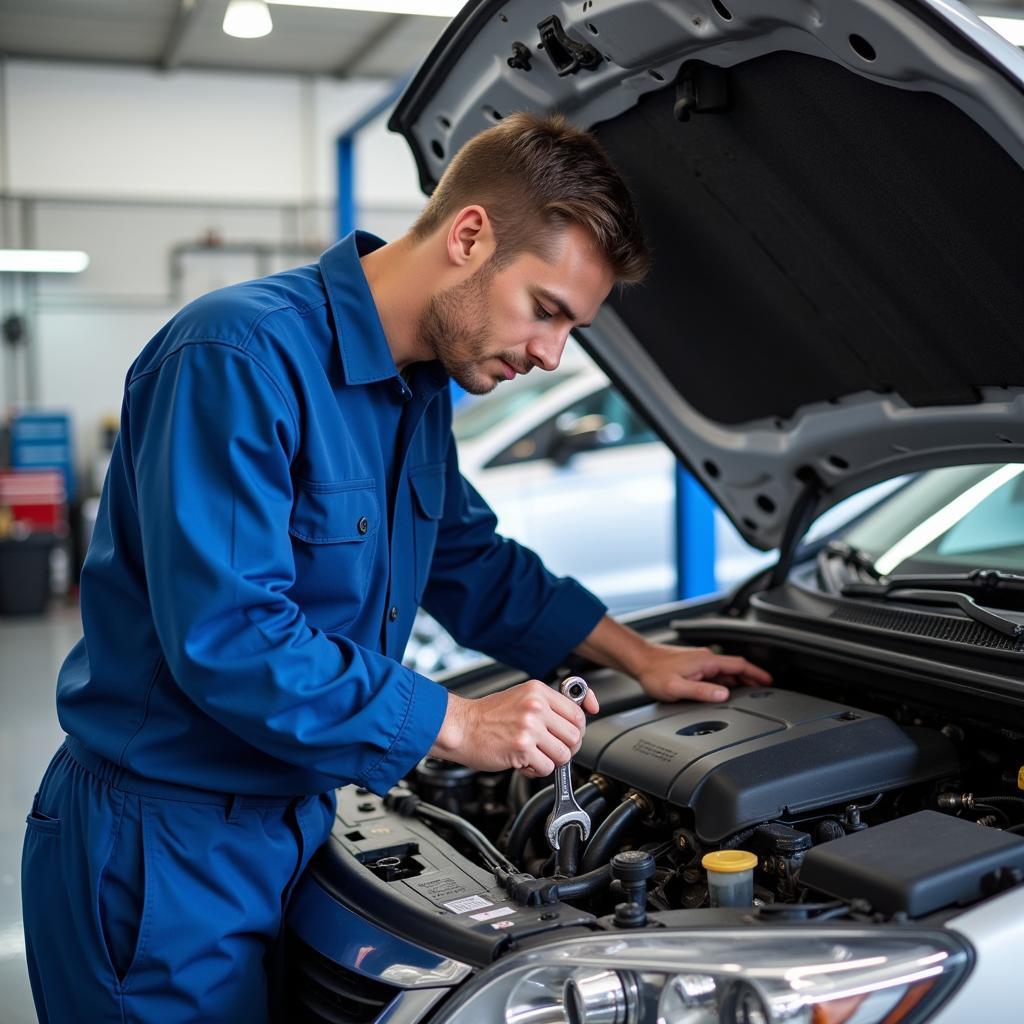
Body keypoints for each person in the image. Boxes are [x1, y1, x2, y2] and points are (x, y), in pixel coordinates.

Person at [22, 112, 771, 1023]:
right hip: (165, 842)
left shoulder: (417, 389)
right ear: (468, 236)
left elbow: (467, 560)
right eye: (547, 311)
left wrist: (640, 657)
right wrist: (458, 723)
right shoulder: (238, 356)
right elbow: (229, 635)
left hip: (295, 814)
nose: (550, 355)